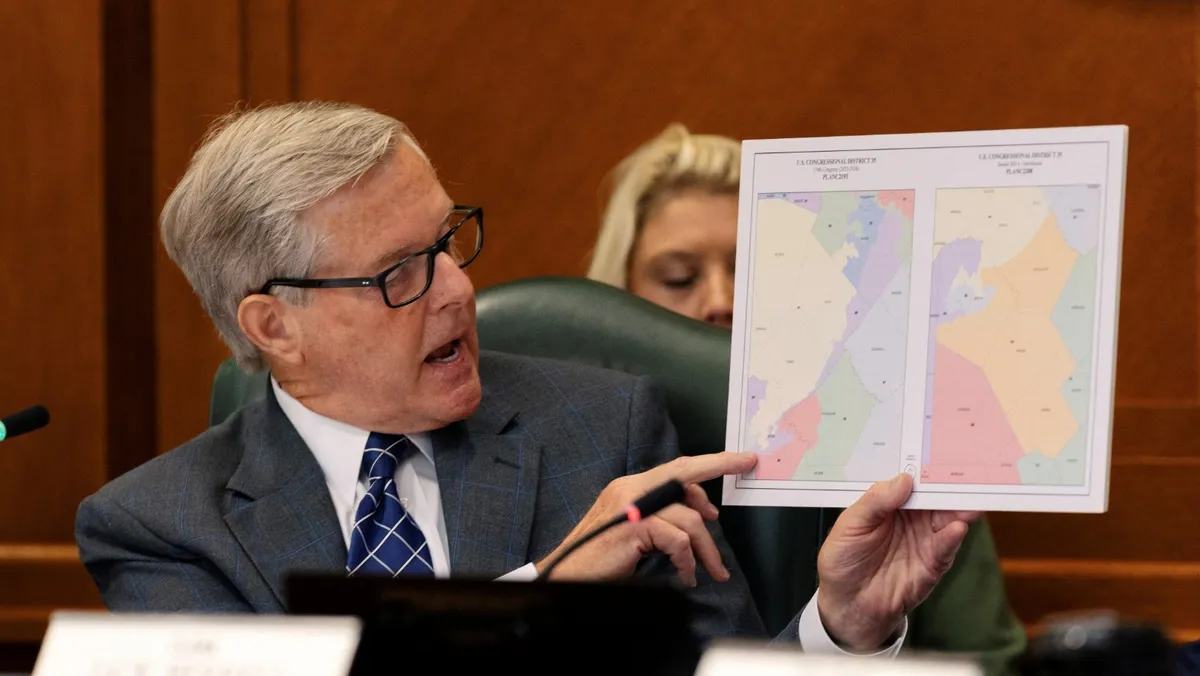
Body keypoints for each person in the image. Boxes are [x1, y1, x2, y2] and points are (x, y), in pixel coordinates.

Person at [76, 102, 980, 656]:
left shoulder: (605, 435)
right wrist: (544, 591)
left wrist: (842, 626)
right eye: (400, 273)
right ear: (275, 326)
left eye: (446, 242)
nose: (459, 290)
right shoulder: (164, 528)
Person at [587, 123, 1028, 669]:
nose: (721, 301)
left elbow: (986, 663)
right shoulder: (578, 451)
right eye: (680, 278)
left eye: (757, 270)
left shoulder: (894, 444)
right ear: (619, 297)